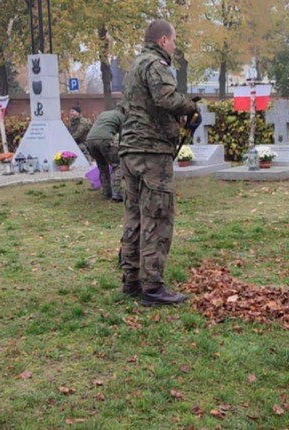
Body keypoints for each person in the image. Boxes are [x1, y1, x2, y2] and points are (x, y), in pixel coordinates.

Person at [118, 19, 200, 306]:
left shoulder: (134, 67)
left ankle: (131, 280)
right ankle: (152, 287)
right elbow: (165, 98)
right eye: (173, 40)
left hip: (130, 150)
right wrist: (190, 106)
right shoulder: (156, 64)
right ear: (163, 40)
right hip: (151, 152)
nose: (174, 46)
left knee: (135, 217)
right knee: (157, 216)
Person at [85, 105, 126, 202]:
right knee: (117, 165)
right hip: (105, 140)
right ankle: (116, 193)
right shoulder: (121, 116)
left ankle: (106, 192)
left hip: (90, 140)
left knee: (102, 167)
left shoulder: (103, 114)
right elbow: (123, 135)